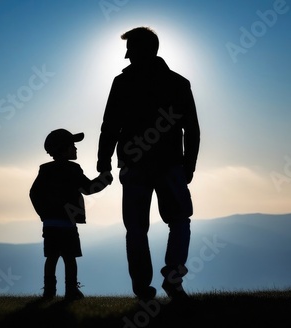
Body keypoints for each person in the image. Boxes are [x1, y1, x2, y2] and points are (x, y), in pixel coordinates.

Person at [96, 27, 200, 300]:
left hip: (135, 164)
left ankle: (143, 288)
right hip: (170, 164)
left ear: (141, 49)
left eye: (130, 47)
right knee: (179, 220)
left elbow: (110, 126)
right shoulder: (178, 83)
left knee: (136, 227)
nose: (126, 54)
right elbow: (192, 129)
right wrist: (189, 165)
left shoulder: (123, 83)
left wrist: (103, 162)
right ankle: (172, 279)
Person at [30, 128, 112, 300]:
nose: (75, 149)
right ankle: (71, 290)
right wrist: (104, 179)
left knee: (51, 257)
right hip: (68, 222)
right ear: (63, 149)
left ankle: (49, 291)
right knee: (69, 257)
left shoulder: (45, 170)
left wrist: (44, 214)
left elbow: (34, 193)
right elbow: (88, 189)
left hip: (50, 223)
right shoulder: (73, 169)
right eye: (72, 146)